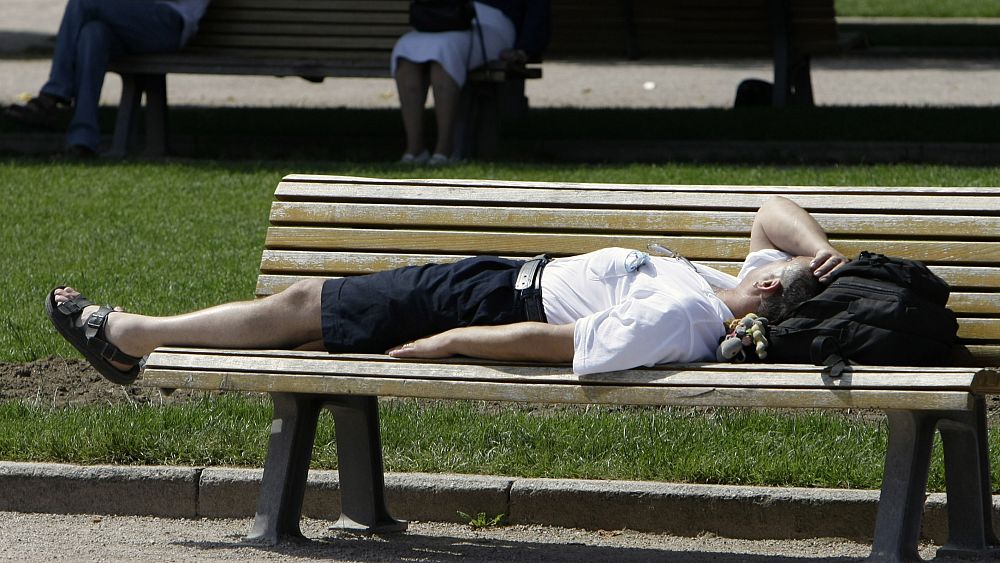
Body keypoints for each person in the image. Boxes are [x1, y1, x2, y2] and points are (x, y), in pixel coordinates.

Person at [46, 196, 846, 385]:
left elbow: (571, 346)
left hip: (490, 306)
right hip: (496, 283)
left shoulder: (686, 312)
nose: (765, 256)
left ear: (769, 283)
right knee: (313, 321)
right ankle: (138, 338)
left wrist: (455, 341)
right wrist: (829, 253)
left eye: (776, 266)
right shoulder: (721, 290)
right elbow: (770, 209)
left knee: (304, 306)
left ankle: (131, 335)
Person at [3, 0, 212, 158]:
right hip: (131, 19)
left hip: (170, 22)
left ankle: (53, 94)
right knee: (93, 35)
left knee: (83, 2)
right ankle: (82, 142)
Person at [392, 0, 551, 165]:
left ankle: (445, 150)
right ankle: (414, 149)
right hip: (445, 19)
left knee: (446, 49)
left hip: (493, 25)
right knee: (406, 47)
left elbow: (538, 9)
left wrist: (524, 48)